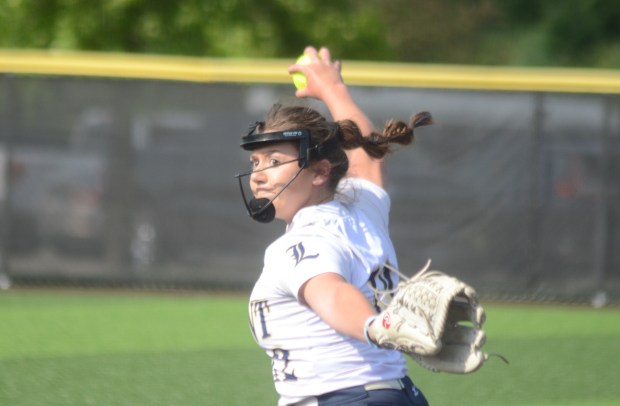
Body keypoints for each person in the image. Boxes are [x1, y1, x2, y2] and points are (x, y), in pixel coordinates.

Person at [238, 46, 433, 406]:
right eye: (255, 161)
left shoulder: (301, 242)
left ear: (320, 172)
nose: (258, 175)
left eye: (274, 160)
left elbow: (331, 293)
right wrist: (333, 89)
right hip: (397, 393)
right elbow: (369, 161)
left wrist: (378, 326)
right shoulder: (361, 208)